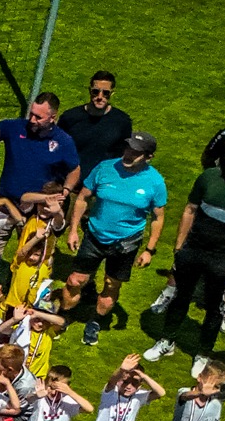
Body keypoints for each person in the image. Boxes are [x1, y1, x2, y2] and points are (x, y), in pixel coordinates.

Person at [141, 130, 225, 368]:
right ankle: (166, 341)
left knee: (214, 307)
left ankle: (203, 353)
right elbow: (190, 210)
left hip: (224, 257)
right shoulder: (208, 177)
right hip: (194, 249)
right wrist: (180, 247)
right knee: (180, 297)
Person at [65, 132, 166, 348]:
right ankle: (64, 316)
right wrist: (73, 230)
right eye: (128, 148)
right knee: (75, 280)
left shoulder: (155, 182)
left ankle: (95, 322)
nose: (128, 154)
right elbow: (82, 198)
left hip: (125, 244)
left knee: (111, 285)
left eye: (136, 152)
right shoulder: (105, 168)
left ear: (149, 157)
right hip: (94, 236)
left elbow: (158, 218)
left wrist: (149, 250)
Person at [0, 91, 81, 210]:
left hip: (38, 208)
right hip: (6, 202)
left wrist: (65, 191)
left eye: (38, 117)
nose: (32, 119)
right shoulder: (15, 127)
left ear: (52, 118)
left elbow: (75, 169)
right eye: (31, 114)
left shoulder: (63, 141)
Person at [57, 70, 133, 181]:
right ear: (90, 91)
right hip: (68, 180)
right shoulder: (70, 117)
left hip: (103, 182)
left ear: (112, 93)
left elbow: (122, 154)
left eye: (105, 93)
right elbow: (57, 147)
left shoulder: (122, 121)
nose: (100, 97)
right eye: (95, 92)